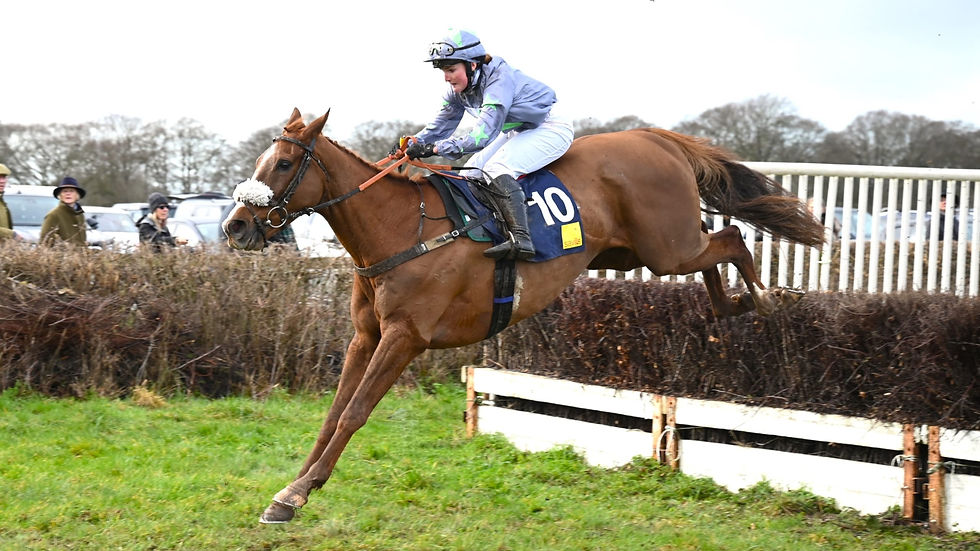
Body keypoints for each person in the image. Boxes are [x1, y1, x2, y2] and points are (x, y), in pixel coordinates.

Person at [395, 28, 574, 260]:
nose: (447, 78)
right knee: (472, 172)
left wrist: (435, 149)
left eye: (451, 70)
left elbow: (481, 136)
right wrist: (412, 144)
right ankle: (491, 230)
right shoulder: (457, 90)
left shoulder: (499, 81)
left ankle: (522, 239)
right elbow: (441, 126)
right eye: (443, 71)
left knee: (495, 169)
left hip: (550, 127)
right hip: (517, 129)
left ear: (472, 65)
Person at [40, 177, 87, 246]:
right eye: (65, 191)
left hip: (79, 256)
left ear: (77, 195)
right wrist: (63, 246)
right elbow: (45, 240)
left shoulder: (80, 214)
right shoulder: (53, 215)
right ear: (60, 195)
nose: (68, 194)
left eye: (71, 191)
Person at [0, 163, 16, 241]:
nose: (2, 181)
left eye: (4, 177)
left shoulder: (2, 202)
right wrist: (12, 234)